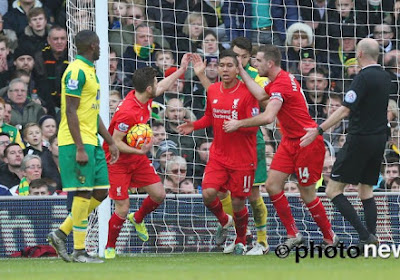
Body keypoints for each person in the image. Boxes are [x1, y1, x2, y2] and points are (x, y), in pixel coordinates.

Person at [223, 44, 338, 249]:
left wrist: (239, 123)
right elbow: (260, 95)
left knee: (307, 193)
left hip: (306, 141)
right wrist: (241, 71)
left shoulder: (281, 85)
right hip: (289, 141)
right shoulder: (279, 79)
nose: (254, 64)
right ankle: (293, 233)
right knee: (272, 185)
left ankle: (330, 237)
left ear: (270, 63)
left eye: (257, 60)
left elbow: (268, 116)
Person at [300, 38, 390, 248]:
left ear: (359, 54)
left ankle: (365, 236)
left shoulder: (363, 77)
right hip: (379, 140)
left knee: (332, 190)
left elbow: (345, 109)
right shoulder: (385, 77)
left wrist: (319, 129)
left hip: (359, 139)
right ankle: (371, 240)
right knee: (365, 190)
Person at [103, 56, 190, 259]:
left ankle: (139, 218)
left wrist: (181, 70)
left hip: (136, 157)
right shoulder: (127, 112)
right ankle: (109, 247)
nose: (157, 85)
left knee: (159, 194)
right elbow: (115, 142)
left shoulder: (144, 97)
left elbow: (163, 87)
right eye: (155, 82)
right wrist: (140, 151)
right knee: (122, 207)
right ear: (149, 89)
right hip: (117, 160)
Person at [47, 30, 119, 263]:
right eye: (100, 47)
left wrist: (110, 141)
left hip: (92, 140)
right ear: (93, 45)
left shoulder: (90, 71)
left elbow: (92, 112)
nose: (102, 51)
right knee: (83, 192)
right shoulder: (76, 71)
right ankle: (79, 250)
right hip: (76, 141)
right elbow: (69, 110)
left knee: (101, 191)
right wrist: (79, 147)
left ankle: (60, 233)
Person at [178, 50, 260, 255]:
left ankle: (241, 240)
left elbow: (255, 126)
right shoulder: (213, 90)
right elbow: (210, 117)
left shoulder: (248, 93)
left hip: (243, 159)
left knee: (238, 202)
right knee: (207, 193)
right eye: (221, 65)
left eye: (229, 65)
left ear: (237, 68)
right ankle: (225, 221)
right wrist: (194, 126)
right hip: (219, 156)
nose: (224, 69)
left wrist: (238, 124)